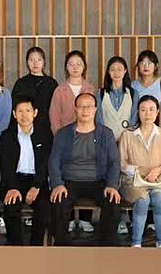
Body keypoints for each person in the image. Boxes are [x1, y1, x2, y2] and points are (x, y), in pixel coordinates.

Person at [49, 93, 121, 246]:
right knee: (58, 200)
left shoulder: (106, 134)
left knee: (112, 201)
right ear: (75, 109)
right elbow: (54, 161)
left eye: (89, 107)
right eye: (81, 107)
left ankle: (106, 246)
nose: (85, 110)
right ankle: (62, 246)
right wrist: (58, 184)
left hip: (98, 180)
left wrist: (112, 185)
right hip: (70, 181)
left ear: (95, 110)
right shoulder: (63, 133)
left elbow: (114, 162)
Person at [119, 95, 161, 248]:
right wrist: (140, 171)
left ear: (157, 112)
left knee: (159, 200)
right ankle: (136, 243)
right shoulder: (128, 135)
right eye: (143, 110)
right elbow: (122, 164)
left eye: (151, 110)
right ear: (138, 112)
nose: (147, 114)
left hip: (157, 181)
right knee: (142, 200)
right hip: (132, 182)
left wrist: (158, 170)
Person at [0, 97, 52, 246]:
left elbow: (45, 164)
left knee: (43, 207)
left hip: (37, 180)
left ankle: (36, 246)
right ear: (14, 114)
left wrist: (36, 186)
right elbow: (5, 165)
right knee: (11, 207)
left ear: (35, 113)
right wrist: (12, 187)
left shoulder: (45, 135)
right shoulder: (7, 136)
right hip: (14, 180)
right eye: (20, 111)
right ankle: (16, 247)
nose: (24, 115)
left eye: (28, 110)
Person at [49, 50, 97, 136]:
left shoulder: (91, 89)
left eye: (78, 64)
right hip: (65, 136)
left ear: (84, 66)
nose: (75, 68)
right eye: (71, 64)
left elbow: (96, 116)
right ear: (66, 67)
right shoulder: (59, 90)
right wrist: (59, 137)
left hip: (88, 136)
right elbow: (54, 118)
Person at [11, 46, 58, 131]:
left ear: (44, 62)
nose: (35, 63)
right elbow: (15, 108)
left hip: (46, 128)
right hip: (25, 128)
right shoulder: (21, 83)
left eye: (39, 60)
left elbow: (56, 109)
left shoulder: (51, 83)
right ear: (27, 62)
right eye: (31, 60)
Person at [131, 50, 161, 133]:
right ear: (138, 66)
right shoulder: (133, 86)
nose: (146, 66)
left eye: (149, 63)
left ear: (156, 66)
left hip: (159, 131)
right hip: (138, 131)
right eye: (142, 63)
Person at [96, 56, 138, 142]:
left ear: (125, 71)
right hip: (106, 140)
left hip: (128, 140)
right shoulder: (100, 93)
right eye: (113, 69)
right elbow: (99, 119)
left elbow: (134, 119)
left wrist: (127, 136)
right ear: (108, 71)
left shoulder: (133, 94)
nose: (116, 73)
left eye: (119, 69)